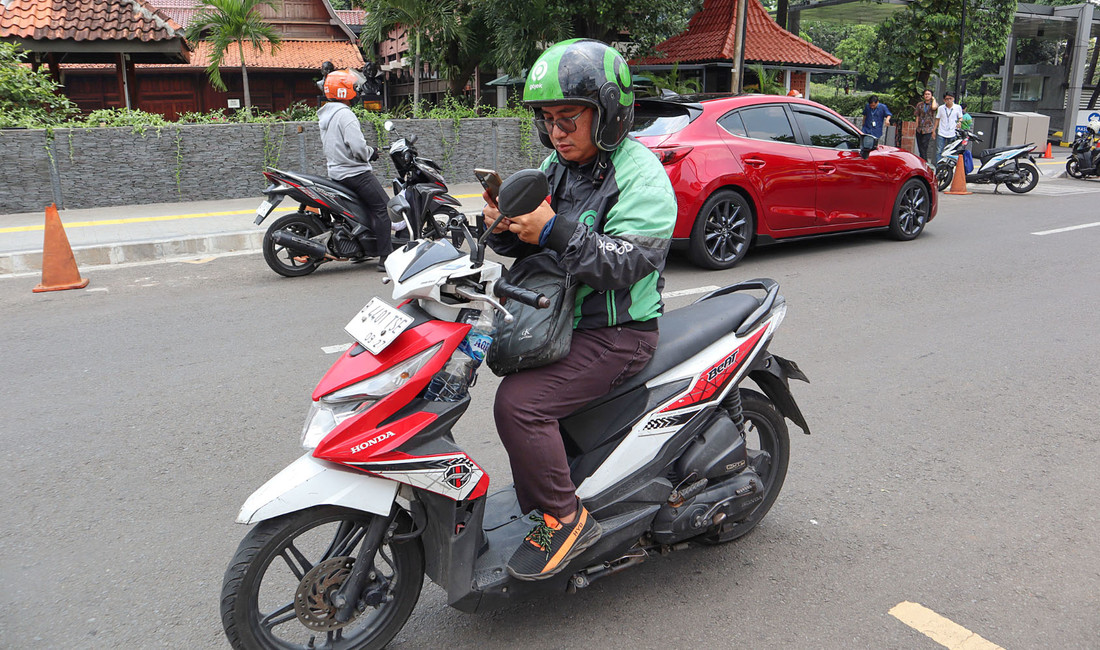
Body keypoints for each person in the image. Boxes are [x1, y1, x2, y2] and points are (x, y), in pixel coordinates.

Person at [482, 39, 677, 581]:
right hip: (559, 319)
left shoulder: (641, 177)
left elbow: (627, 263)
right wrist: (505, 227)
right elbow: (533, 242)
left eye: (568, 118)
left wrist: (551, 228)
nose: (556, 132)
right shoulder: (557, 166)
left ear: (609, 112)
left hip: (617, 333)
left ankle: (565, 519)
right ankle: (549, 496)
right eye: (548, 120)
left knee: (520, 405)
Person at [317, 68, 391, 270]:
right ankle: (386, 258)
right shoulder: (345, 115)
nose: (357, 91)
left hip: (336, 173)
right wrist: (371, 152)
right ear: (344, 91)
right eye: (354, 87)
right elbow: (357, 148)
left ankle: (361, 251)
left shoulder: (327, 114)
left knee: (364, 209)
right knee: (384, 208)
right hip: (355, 173)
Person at [934, 91, 964, 163]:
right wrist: (933, 130)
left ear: (953, 99)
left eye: (950, 98)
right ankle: (939, 166)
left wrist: (959, 122)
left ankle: (949, 165)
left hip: (952, 132)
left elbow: (960, 117)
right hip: (941, 132)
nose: (949, 100)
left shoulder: (957, 107)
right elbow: (937, 119)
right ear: (944, 100)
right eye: (947, 99)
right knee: (939, 151)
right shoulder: (941, 108)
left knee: (951, 150)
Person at [913, 89, 938, 161]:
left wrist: (933, 99)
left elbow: (934, 108)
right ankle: (922, 160)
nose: (927, 95)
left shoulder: (934, 104)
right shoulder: (920, 104)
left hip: (928, 129)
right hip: (920, 128)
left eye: (928, 94)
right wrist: (916, 126)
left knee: (924, 145)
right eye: (925, 94)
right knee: (920, 146)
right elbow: (917, 115)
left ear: (931, 95)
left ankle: (924, 161)